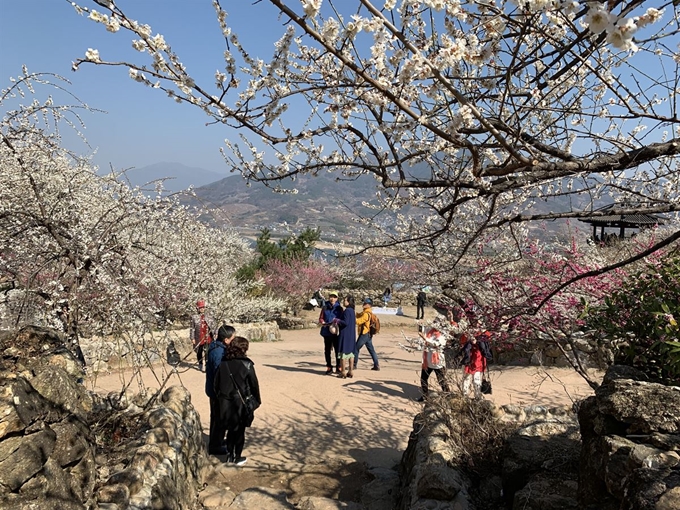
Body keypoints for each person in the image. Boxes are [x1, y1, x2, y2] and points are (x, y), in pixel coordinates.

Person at [214, 336, 261, 465]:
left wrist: (221, 397)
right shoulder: (247, 364)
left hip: (225, 402)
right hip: (240, 402)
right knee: (239, 430)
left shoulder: (223, 364)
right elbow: (254, 385)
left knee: (230, 429)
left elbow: (216, 384)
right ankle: (237, 456)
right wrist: (255, 402)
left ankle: (229, 455)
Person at [205, 324, 236, 456]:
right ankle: (215, 446)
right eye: (232, 338)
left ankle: (216, 440)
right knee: (219, 417)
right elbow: (220, 372)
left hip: (214, 389)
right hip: (217, 391)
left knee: (217, 416)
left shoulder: (216, 347)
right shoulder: (218, 352)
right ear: (226, 340)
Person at [417, 324, 450, 401]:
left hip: (438, 363)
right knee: (423, 379)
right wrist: (419, 324)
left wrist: (425, 339)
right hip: (427, 362)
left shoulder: (443, 335)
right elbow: (422, 329)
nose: (435, 324)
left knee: (441, 380)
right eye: (435, 322)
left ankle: (448, 395)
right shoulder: (430, 331)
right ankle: (425, 395)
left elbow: (436, 344)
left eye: (437, 323)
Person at [460, 330, 493, 399]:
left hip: (478, 359)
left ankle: (477, 396)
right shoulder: (467, 331)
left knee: (476, 379)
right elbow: (462, 342)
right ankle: (465, 395)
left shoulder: (484, 332)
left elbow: (488, 339)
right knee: (466, 378)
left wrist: (477, 341)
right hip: (469, 359)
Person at [319, 290, 343, 374]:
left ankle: (338, 366)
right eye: (331, 297)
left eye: (334, 297)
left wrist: (336, 322)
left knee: (338, 350)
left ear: (337, 298)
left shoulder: (339, 308)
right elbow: (321, 318)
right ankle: (329, 367)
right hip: (326, 331)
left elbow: (342, 319)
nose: (332, 298)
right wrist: (323, 322)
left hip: (336, 332)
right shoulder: (325, 307)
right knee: (327, 350)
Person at [190, 299, 216, 372]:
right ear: (198, 308)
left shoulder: (209, 316)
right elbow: (192, 328)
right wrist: (192, 338)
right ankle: (200, 364)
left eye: (203, 307)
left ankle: (207, 365)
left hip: (207, 336)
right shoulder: (194, 317)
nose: (202, 309)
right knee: (199, 351)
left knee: (207, 351)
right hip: (199, 336)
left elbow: (214, 325)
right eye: (200, 308)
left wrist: (215, 333)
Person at [354, 297, 380, 371]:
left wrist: (352, 319)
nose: (364, 304)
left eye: (365, 303)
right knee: (371, 350)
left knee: (356, 348)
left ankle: (354, 364)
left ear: (369, 305)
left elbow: (359, 321)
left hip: (364, 334)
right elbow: (359, 315)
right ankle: (376, 365)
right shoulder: (366, 312)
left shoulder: (366, 314)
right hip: (368, 335)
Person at [335, 295, 357, 379]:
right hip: (351, 334)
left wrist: (337, 320)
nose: (344, 302)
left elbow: (345, 322)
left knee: (343, 354)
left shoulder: (347, 311)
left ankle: (343, 372)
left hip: (345, 334)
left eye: (345, 300)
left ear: (348, 302)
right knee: (351, 354)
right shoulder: (352, 311)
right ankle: (351, 371)